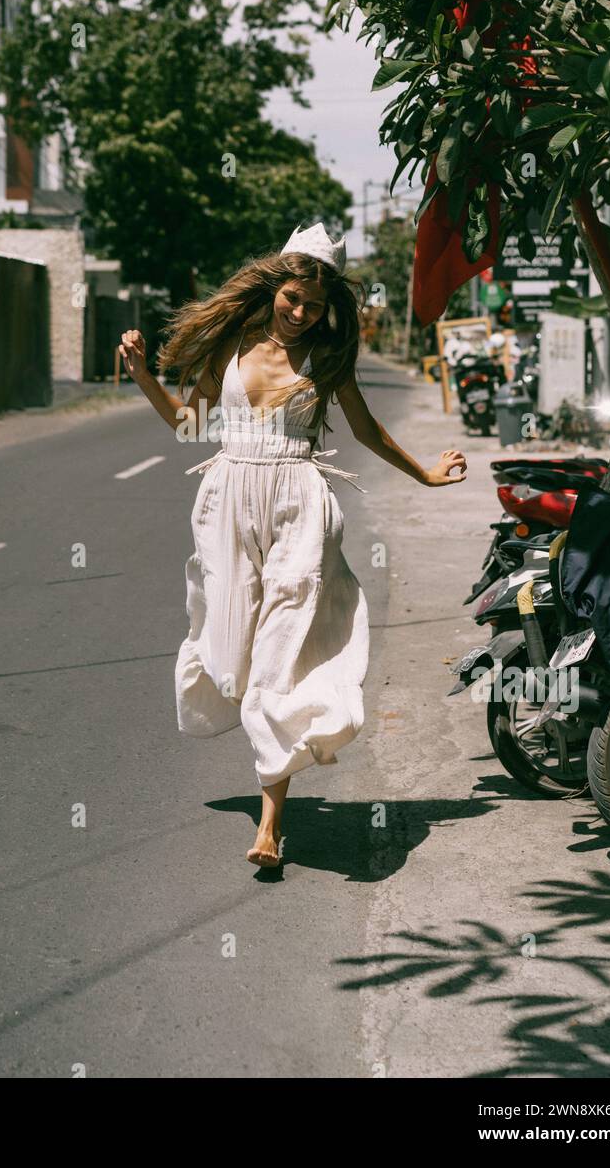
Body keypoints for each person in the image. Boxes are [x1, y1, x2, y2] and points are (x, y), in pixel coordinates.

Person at [119, 223, 467, 867]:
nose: (302, 313)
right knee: (232, 653)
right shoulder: (230, 344)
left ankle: (269, 826)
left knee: (280, 657)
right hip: (226, 503)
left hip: (299, 504)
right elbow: (190, 425)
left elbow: (365, 431)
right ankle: (268, 780)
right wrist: (143, 375)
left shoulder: (327, 359)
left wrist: (425, 472)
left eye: (315, 305)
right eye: (293, 298)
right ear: (274, 285)